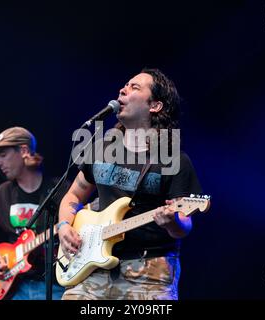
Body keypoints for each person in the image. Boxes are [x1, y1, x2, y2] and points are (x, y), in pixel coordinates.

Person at [57, 68, 203, 300]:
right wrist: (64, 226)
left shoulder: (174, 159)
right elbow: (73, 196)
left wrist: (172, 220)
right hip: (91, 266)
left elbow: (184, 226)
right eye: (125, 85)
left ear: (155, 106)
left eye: (135, 87)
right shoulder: (102, 148)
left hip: (148, 271)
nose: (123, 89)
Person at [0, 126, 67, 300]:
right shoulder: (3, 193)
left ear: (23, 151)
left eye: (3, 155)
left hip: (52, 285)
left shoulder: (59, 190)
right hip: (13, 287)